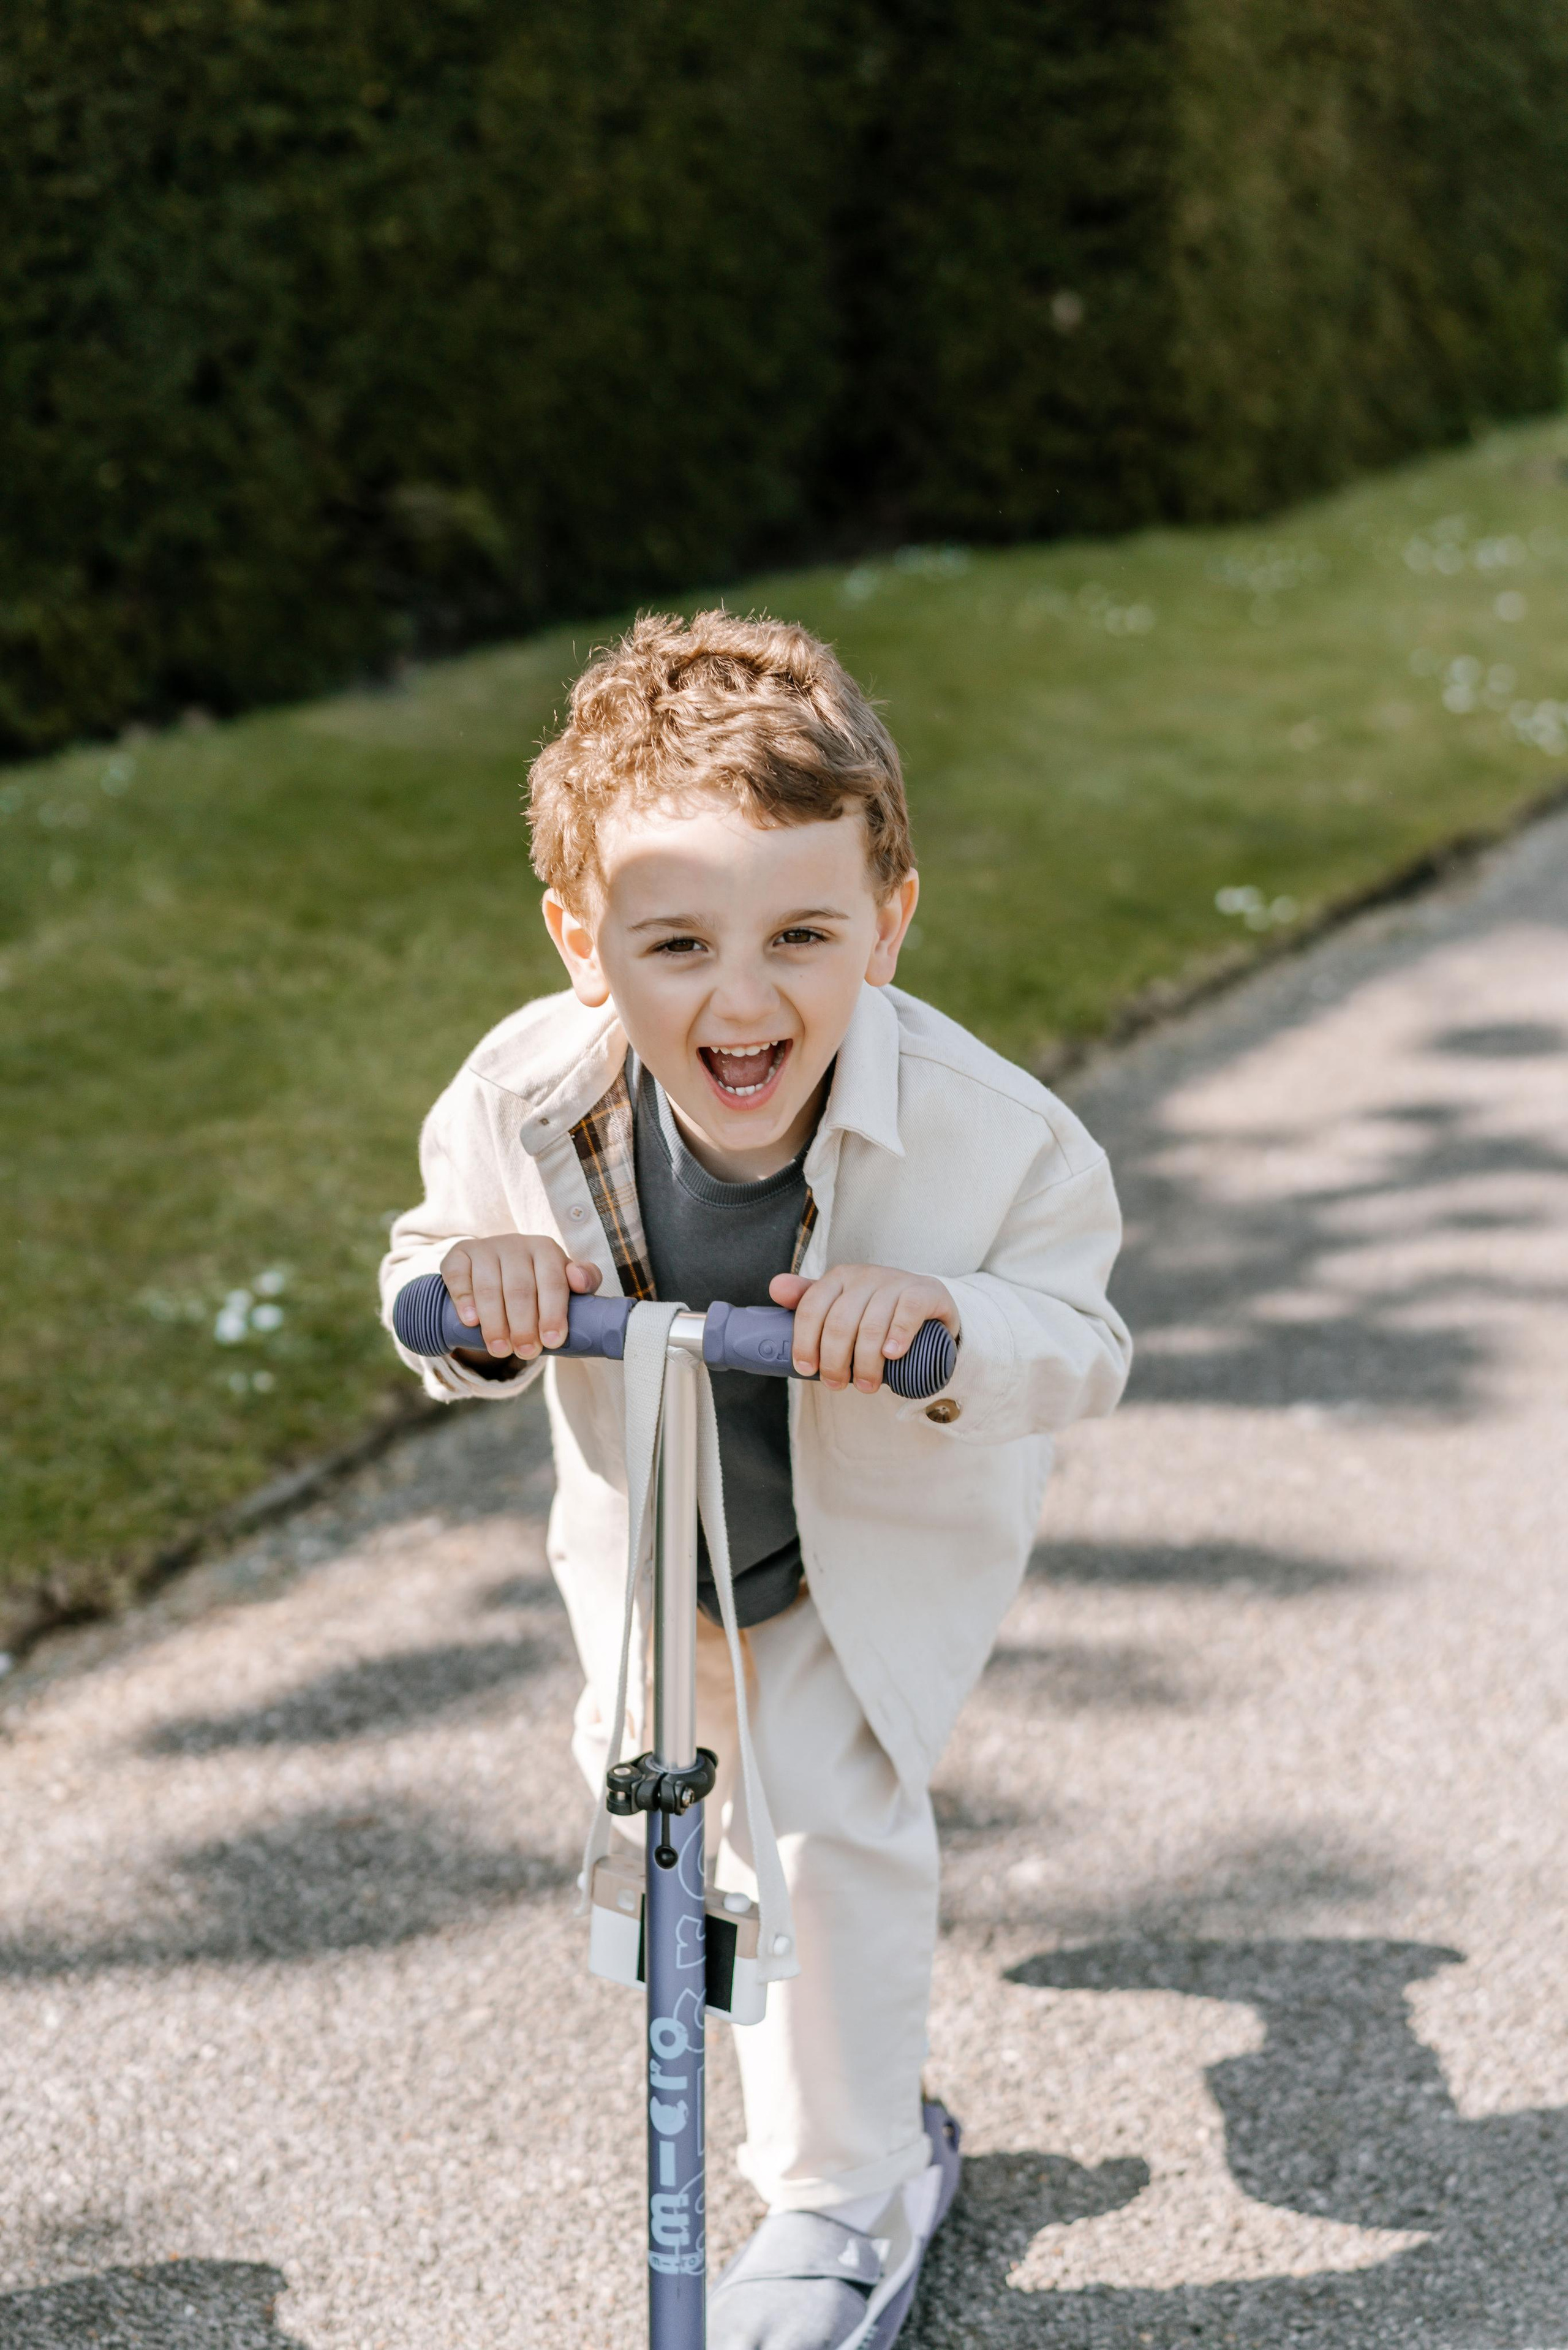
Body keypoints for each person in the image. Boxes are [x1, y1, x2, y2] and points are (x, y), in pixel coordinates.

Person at [380, 610, 1131, 2348]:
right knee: (664, 1832)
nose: (742, 997)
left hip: (849, 1561)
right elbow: (433, 1265)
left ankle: (842, 2187)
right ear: (585, 943)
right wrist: (478, 1305)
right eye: (676, 942)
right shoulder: (521, 1093)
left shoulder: (987, 1128)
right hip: (654, 1551)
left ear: (890, 920)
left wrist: (940, 1320)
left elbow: (1081, 1336)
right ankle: (812, 2092)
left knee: (832, 1834)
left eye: (803, 933)